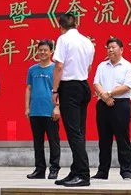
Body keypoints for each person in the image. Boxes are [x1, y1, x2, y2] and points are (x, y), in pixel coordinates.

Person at [52, 12, 95, 187]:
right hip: (83, 85)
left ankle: (83, 174)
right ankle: (76, 170)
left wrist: (55, 90)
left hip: (69, 86)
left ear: (60, 25)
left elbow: (59, 66)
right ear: (76, 23)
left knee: (73, 132)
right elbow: (89, 66)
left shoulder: (63, 39)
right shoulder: (87, 41)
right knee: (79, 131)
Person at [91, 37, 131, 181]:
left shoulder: (128, 66)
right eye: (108, 47)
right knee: (104, 140)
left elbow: (127, 86)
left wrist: (108, 94)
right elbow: (96, 83)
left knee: (122, 138)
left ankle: (126, 171)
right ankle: (102, 171)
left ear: (121, 49)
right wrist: (104, 97)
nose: (110, 50)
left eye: (113, 47)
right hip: (103, 104)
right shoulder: (102, 66)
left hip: (121, 104)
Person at [25, 39, 61, 180]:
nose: (42, 52)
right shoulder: (32, 69)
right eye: (40, 50)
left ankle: (54, 169)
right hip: (35, 111)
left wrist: (57, 107)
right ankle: (39, 169)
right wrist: (27, 107)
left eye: (45, 50)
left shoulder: (55, 68)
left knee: (53, 141)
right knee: (37, 142)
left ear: (51, 52)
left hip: (50, 110)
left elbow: (60, 90)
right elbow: (28, 88)